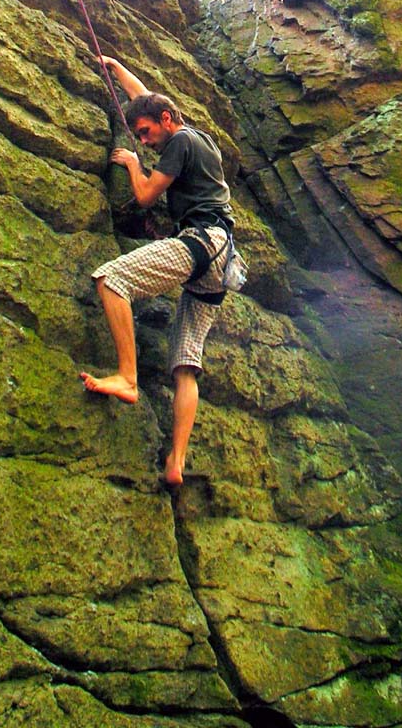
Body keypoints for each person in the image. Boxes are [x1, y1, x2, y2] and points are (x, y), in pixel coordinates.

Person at [80, 56, 235, 488]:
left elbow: (147, 195)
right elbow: (143, 97)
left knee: (113, 279)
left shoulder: (179, 143)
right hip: (222, 262)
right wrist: (114, 67)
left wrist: (132, 163)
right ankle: (176, 462)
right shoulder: (194, 137)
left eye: (146, 133)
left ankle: (127, 377)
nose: (144, 142)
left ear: (166, 121)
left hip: (202, 242)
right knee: (186, 365)